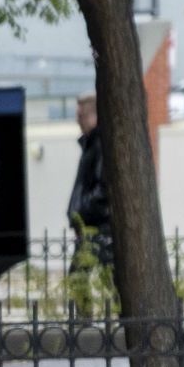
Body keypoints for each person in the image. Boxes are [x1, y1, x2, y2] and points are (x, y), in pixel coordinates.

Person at [68, 93, 111, 264]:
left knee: (78, 283)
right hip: (91, 228)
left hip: (96, 228)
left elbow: (104, 188)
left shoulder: (99, 144)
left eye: (82, 116)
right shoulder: (91, 144)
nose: (78, 121)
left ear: (95, 115)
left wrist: (82, 211)